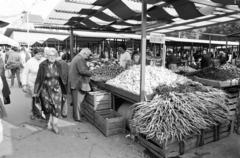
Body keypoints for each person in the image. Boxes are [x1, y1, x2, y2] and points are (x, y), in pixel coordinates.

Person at [34, 48, 67, 134]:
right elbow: (38, 78)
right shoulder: (42, 65)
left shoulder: (59, 64)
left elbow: (62, 77)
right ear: (47, 56)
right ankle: (49, 121)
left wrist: (64, 88)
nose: (52, 57)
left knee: (56, 107)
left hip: (56, 89)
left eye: (54, 55)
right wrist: (35, 91)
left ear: (56, 56)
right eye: (50, 55)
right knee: (47, 107)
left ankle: (55, 124)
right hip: (45, 90)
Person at [69, 48, 92, 122]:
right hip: (77, 82)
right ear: (84, 53)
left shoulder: (77, 57)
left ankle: (78, 115)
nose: (88, 57)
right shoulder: (80, 59)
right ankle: (77, 117)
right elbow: (82, 71)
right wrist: (91, 72)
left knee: (77, 101)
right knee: (77, 101)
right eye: (88, 55)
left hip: (75, 81)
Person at [22, 48, 45, 119]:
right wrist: (24, 84)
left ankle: (43, 113)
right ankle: (35, 113)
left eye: (41, 54)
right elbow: (25, 73)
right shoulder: (30, 62)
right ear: (34, 54)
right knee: (35, 98)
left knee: (43, 98)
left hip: (43, 83)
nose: (40, 55)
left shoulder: (44, 60)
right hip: (33, 83)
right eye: (38, 54)